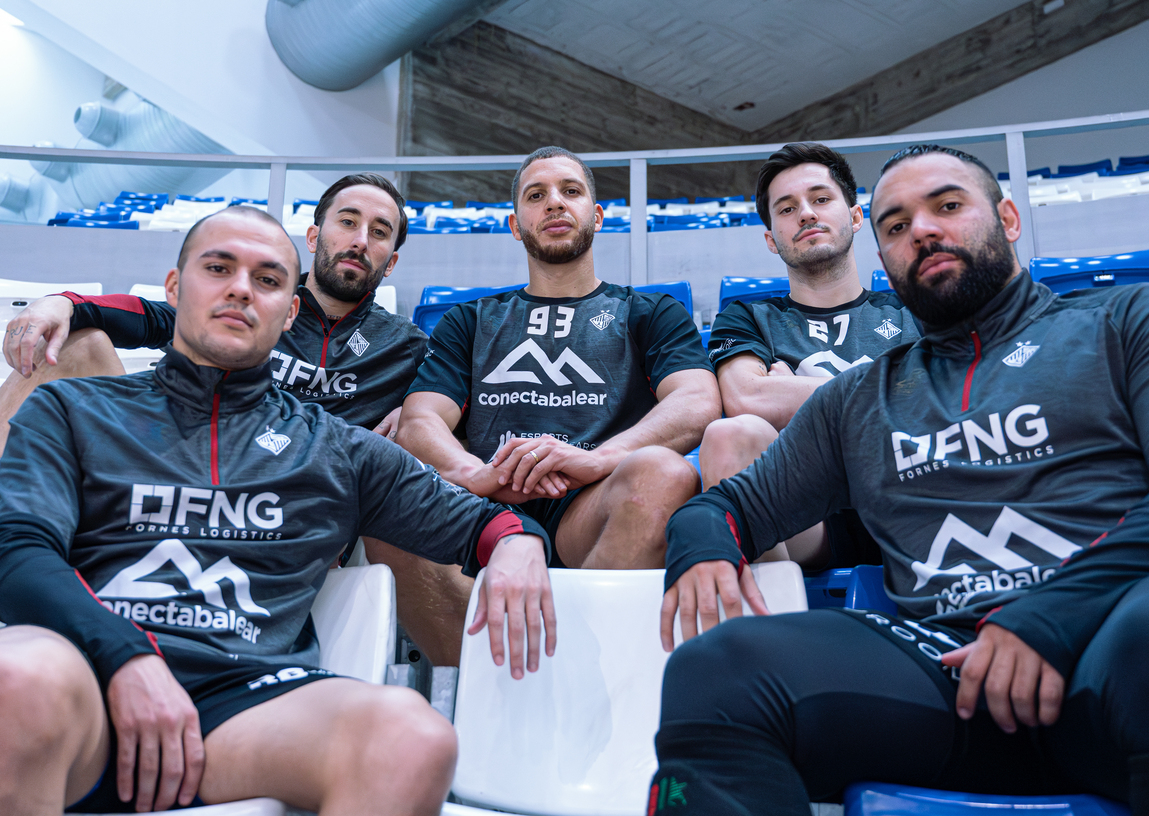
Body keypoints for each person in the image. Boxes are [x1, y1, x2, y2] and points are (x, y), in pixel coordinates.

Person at [648, 145, 1149, 815]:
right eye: (896, 225)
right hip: (949, 669)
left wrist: (1051, 614)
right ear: (884, 256)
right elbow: (726, 507)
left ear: (1008, 218)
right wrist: (704, 547)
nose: (921, 230)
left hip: (1119, 639)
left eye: (947, 206)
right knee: (715, 671)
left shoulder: (1130, 319)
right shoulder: (857, 398)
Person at [0, 206, 556, 815]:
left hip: (244, 699)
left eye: (266, 279)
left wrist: (518, 544)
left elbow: (482, 523)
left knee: (411, 737)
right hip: (85, 675)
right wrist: (128, 656)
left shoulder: (336, 448)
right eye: (219, 268)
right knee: (15, 678)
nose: (241, 289)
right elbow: (17, 552)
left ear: (289, 312)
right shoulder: (71, 409)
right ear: (174, 288)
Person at [374, 146, 720, 662]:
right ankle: (489, 680)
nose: (554, 203)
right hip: (484, 508)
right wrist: (474, 475)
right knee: (384, 502)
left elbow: (696, 399)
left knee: (665, 474)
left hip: (595, 504)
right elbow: (420, 419)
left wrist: (597, 459)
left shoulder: (650, 311)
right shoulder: (468, 319)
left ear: (596, 216)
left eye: (570, 191)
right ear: (516, 226)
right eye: (536, 196)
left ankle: (583, 671)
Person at [1, 172, 425, 447]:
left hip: (296, 501)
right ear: (314, 238)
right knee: (73, 341)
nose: (360, 240)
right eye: (348, 222)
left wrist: (421, 409)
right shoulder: (253, 304)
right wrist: (63, 303)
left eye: (379, 232)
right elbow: (150, 317)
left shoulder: (406, 347)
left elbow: (455, 396)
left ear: (390, 262)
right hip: (184, 455)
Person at [702, 142, 919, 567]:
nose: (805, 214)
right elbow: (747, 398)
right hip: (808, 513)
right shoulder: (747, 317)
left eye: (820, 199)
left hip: (911, 490)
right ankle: (770, 603)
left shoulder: (913, 309)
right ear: (771, 239)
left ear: (855, 217)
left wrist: (794, 392)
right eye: (787, 209)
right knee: (729, 436)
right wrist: (892, 388)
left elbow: (946, 394)